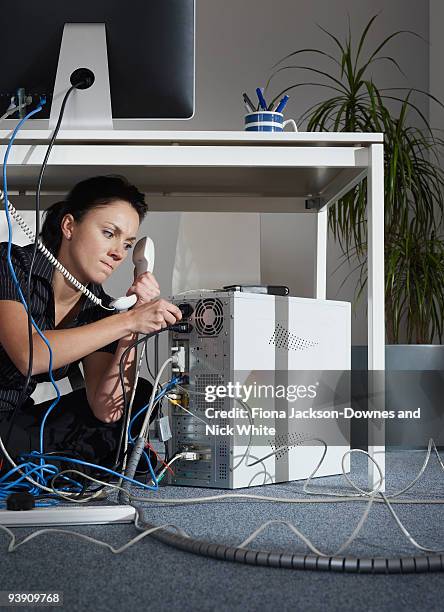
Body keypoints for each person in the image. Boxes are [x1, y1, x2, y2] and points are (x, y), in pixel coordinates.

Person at [0, 175, 182, 475]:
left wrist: (133, 326)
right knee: (103, 451)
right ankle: (59, 466)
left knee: (140, 397)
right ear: (69, 226)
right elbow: (28, 355)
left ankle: (40, 466)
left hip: (14, 421)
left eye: (127, 244)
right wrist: (127, 321)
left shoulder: (102, 308)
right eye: (108, 233)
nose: (118, 253)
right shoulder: (11, 264)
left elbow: (106, 409)